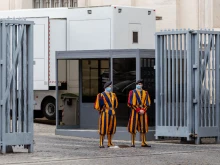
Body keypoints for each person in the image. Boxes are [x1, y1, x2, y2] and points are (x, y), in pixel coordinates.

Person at [127, 79, 151, 147]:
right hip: (135, 112)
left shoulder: (145, 93)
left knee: (143, 127)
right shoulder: (132, 92)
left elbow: (148, 103)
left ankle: (143, 142)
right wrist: (138, 110)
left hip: (143, 112)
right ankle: (132, 142)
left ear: (142, 85)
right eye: (138, 84)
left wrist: (143, 110)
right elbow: (130, 103)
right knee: (133, 126)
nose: (139, 85)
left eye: (140, 84)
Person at [94, 81, 118, 148]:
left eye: (110, 86)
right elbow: (98, 105)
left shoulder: (113, 95)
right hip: (105, 113)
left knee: (111, 128)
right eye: (109, 86)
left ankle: (109, 142)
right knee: (103, 128)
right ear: (105, 87)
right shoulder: (101, 95)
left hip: (112, 112)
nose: (110, 87)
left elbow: (115, 104)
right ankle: (101, 143)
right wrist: (102, 109)